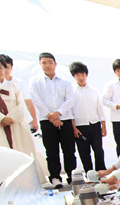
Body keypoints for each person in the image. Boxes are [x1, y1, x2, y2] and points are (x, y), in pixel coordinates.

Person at [0, 53, 48, 183]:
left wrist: (10, 118)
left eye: (0, 67)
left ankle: (28, 183)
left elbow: (21, 107)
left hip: (16, 125)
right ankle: (5, 184)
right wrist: (1, 118)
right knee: (2, 154)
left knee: (23, 152)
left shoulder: (14, 86)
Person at [29, 52, 76, 188]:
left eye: (50, 62)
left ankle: (72, 176)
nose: (47, 65)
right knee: (51, 150)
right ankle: (55, 177)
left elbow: (70, 100)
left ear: (55, 64)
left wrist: (58, 113)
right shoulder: (35, 81)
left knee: (69, 150)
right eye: (44, 62)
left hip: (64, 119)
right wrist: (50, 116)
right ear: (40, 64)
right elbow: (36, 100)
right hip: (46, 121)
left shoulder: (65, 81)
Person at [69, 62, 107, 172]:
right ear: (73, 76)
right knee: (84, 151)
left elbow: (100, 108)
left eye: (83, 74)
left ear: (86, 75)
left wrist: (103, 126)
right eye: (77, 75)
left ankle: (101, 171)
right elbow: (69, 111)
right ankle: (89, 173)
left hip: (94, 124)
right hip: (80, 126)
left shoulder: (94, 90)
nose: (81, 77)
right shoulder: (71, 91)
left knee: (98, 149)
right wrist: (74, 128)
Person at [2, 55, 39, 132]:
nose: (5, 70)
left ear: (11, 68)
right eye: (2, 67)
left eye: (7, 67)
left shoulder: (19, 83)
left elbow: (28, 102)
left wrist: (34, 120)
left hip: (19, 121)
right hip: (1, 121)